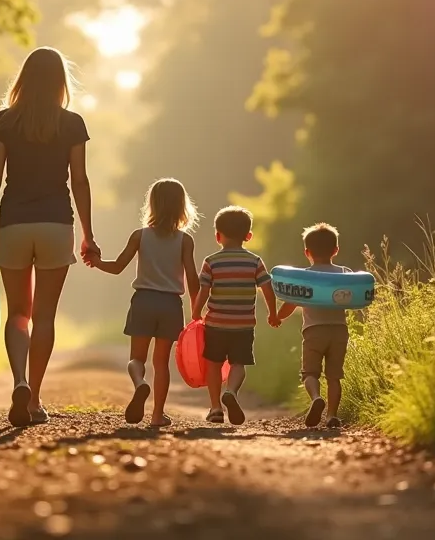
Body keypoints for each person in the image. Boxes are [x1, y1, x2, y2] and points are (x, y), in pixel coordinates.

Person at [0, 47, 99, 428]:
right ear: (61, 81)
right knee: (44, 315)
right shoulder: (72, 123)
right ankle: (35, 400)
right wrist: (88, 234)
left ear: (24, 79)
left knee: (18, 314)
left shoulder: (6, 121)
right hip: (56, 224)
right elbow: (78, 180)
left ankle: (20, 381)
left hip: (13, 223)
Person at [86, 178, 200, 428]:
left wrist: (96, 262)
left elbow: (117, 267)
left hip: (143, 301)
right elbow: (192, 277)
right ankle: (158, 415)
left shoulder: (140, 236)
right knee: (161, 363)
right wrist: (197, 311)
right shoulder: (185, 241)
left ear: (152, 205)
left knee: (136, 358)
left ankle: (140, 383)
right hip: (170, 305)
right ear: (182, 206)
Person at [191, 206, 278, 425]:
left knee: (213, 364)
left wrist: (195, 312)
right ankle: (231, 391)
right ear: (248, 236)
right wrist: (273, 313)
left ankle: (215, 408)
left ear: (217, 236)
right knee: (238, 363)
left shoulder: (211, 261)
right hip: (243, 325)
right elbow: (268, 288)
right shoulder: (255, 261)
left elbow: (204, 291)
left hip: (216, 324)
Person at [270, 223, 351, 428]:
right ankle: (331, 415)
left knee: (310, 373)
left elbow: (290, 303)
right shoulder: (344, 273)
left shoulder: (304, 278)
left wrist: (277, 317)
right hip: (339, 331)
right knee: (334, 376)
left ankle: (316, 397)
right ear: (336, 250)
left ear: (307, 252)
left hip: (314, 331)